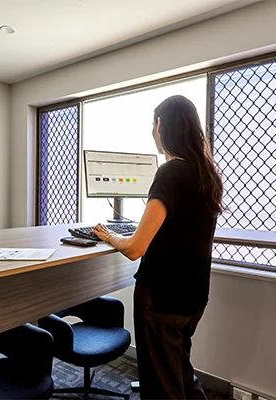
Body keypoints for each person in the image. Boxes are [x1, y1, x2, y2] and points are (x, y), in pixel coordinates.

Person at [92, 95, 223, 400]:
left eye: (154, 123)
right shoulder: (206, 172)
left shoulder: (170, 173)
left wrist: (111, 236)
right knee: (179, 370)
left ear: (161, 125)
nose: (153, 130)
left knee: (161, 384)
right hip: (193, 298)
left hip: (162, 298)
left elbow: (136, 248)